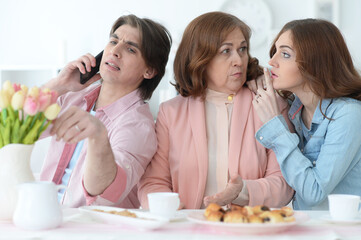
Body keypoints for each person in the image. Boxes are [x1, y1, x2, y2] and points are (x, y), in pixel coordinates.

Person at [138, 11, 294, 209]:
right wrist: (177, 214)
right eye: (226, 51)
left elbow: (284, 183)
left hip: (247, 230)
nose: (239, 60)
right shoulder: (171, 112)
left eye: (243, 49)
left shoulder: (269, 104)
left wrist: (243, 191)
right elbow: (153, 182)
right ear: (200, 58)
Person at [39, 14, 172, 208]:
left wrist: (98, 135)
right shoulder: (73, 96)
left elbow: (100, 190)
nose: (115, 51)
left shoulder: (138, 126)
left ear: (149, 71)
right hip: (45, 216)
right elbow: (11, 131)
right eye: (113, 41)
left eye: (130, 49)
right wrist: (59, 85)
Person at [251, 19, 361, 210]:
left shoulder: (348, 115)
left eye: (285, 54)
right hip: (307, 229)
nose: (271, 62)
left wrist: (274, 125)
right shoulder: (295, 110)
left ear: (313, 63)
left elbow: (314, 193)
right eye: (274, 51)